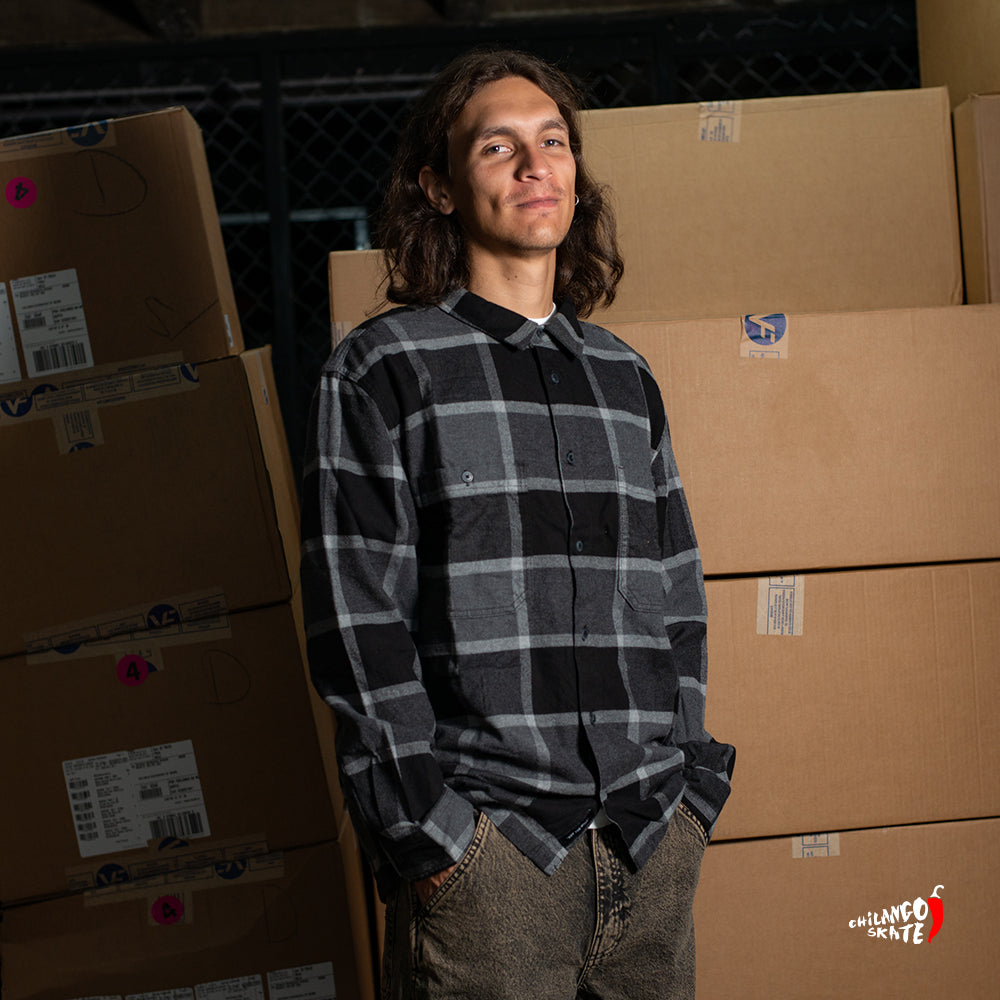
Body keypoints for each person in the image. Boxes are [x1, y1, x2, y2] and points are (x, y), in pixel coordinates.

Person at [300, 47, 734, 1000]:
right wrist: (432, 839)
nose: (538, 165)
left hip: (648, 842)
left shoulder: (622, 376)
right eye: (499, 147)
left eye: (554, 142)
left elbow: (677, 596)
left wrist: (692, 793)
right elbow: (356, 620)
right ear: (439, 188)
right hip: (491, 864)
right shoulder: (384, 368)